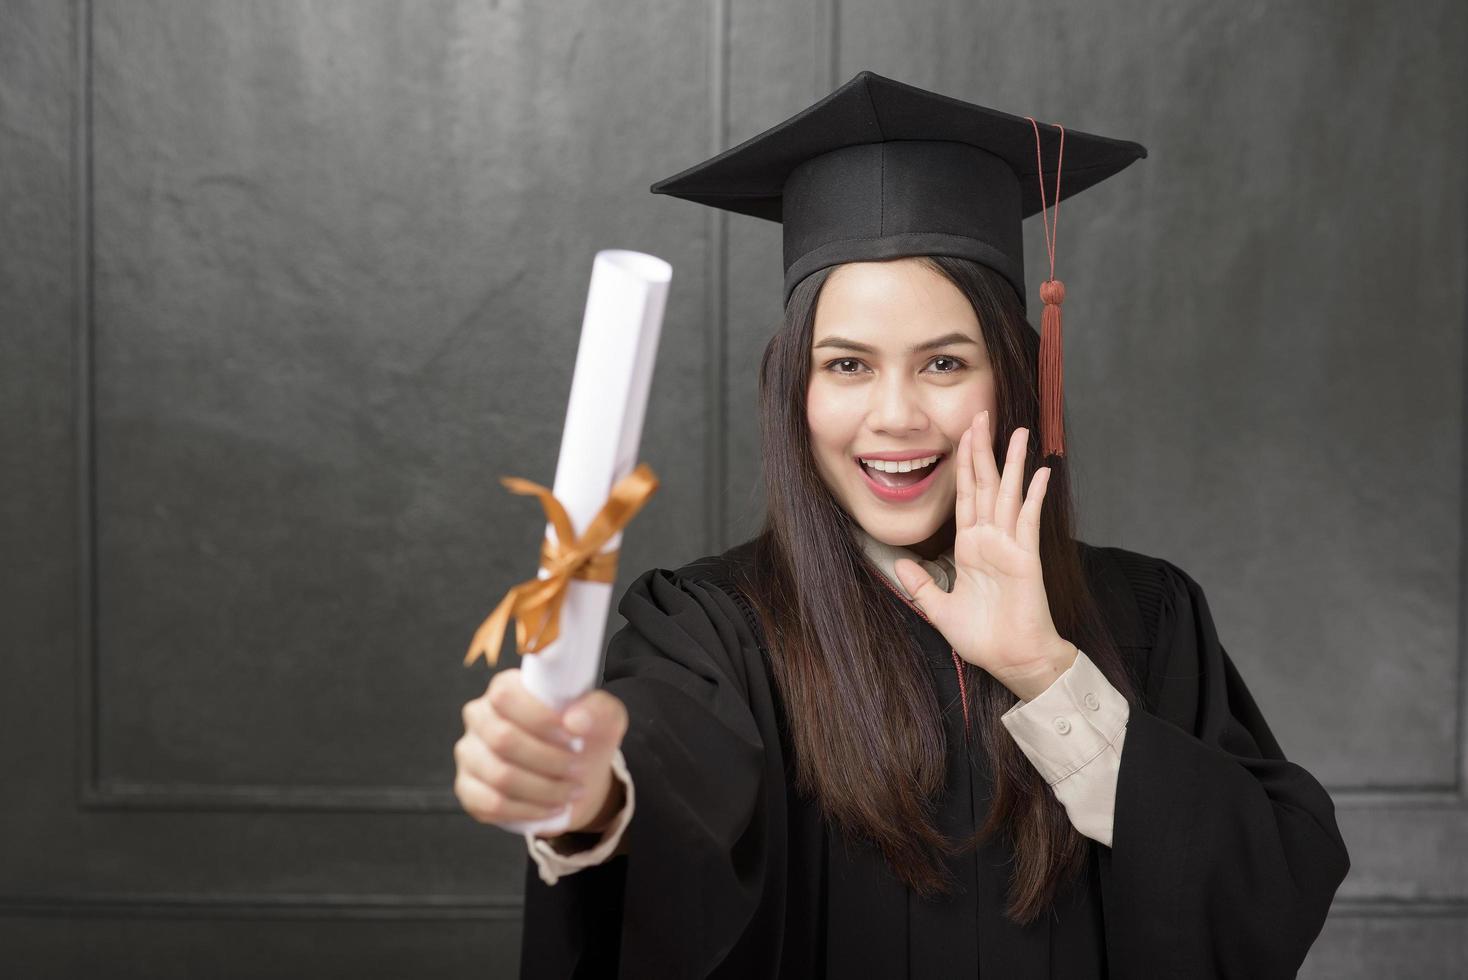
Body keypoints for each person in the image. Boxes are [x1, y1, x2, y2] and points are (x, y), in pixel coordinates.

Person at [454, 70, 1351, 978]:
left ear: (1012, 375)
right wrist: (592, 792)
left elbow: (1265, 896)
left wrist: (1044, 672)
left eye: (944, 363)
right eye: (847, 365)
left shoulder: (1145, 616)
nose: (894, 416)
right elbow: (667, 768)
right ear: (793, 393)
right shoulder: (714, 630)